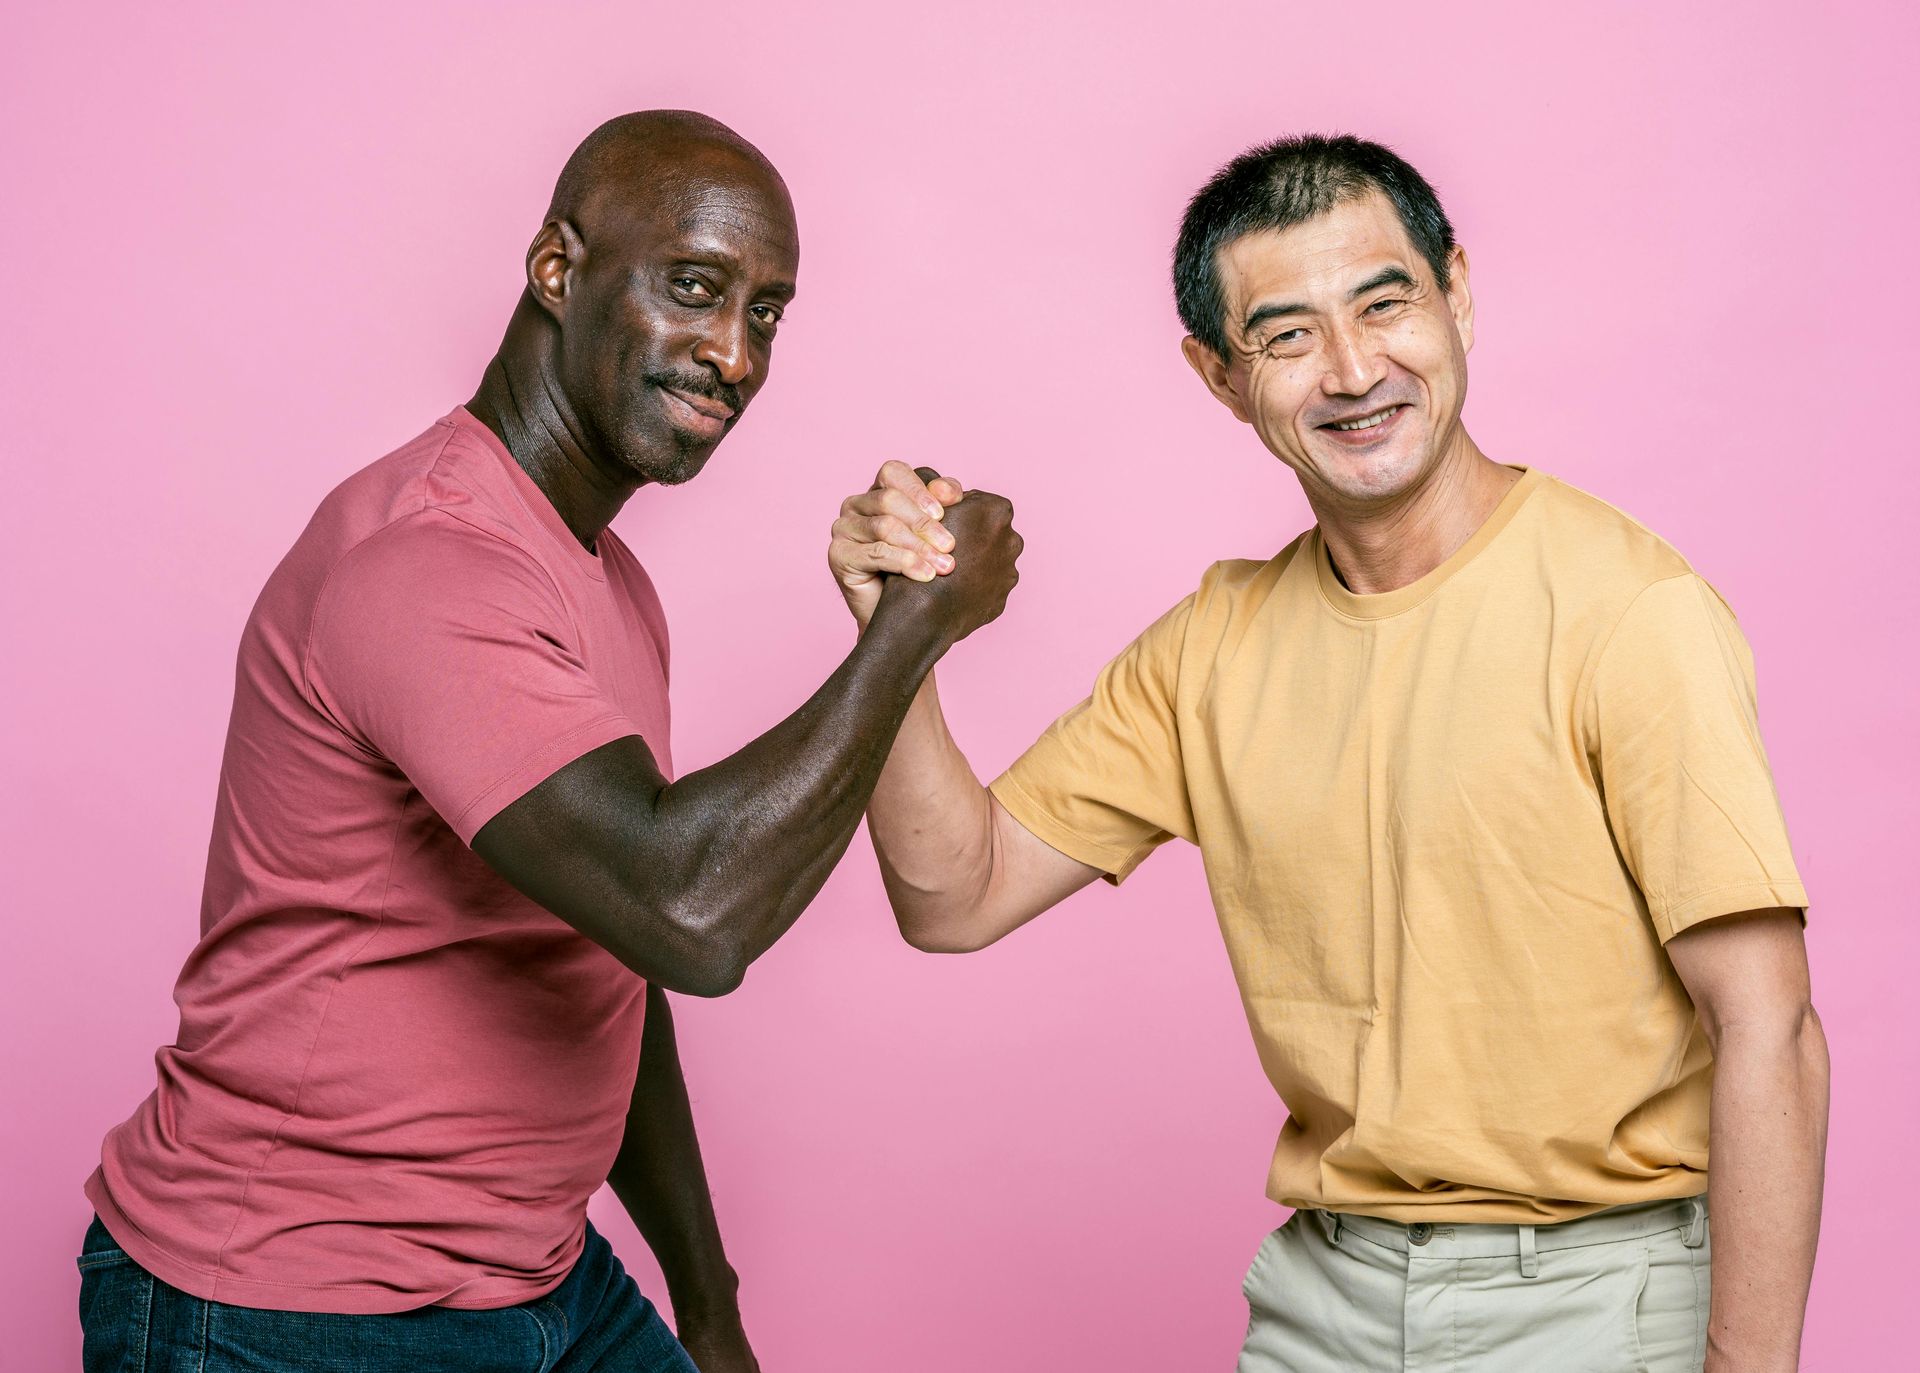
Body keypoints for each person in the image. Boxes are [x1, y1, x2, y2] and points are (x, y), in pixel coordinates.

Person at [829, 135, 1827, 1372]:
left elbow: (1769, 1024)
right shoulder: (1214, 647)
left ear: (1455, 293)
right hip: (1326, 1303)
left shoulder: (1631, 611)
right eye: (1287, 335)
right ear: (1220, 377)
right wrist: (892, 643)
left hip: (1596, 1293)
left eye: (1385, 302)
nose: (1355, 370)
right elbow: (953, 892)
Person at [80, 110, 1022, 1373]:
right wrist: (910, 633)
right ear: (559, 271)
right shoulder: (429, 563)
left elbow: (611, 956)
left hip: (538, 1278)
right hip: (285, 1306)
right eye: (695, 288)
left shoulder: (603, 580)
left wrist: (708, 1306)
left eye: (766, 314)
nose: (733, 354)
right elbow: (688, 910)